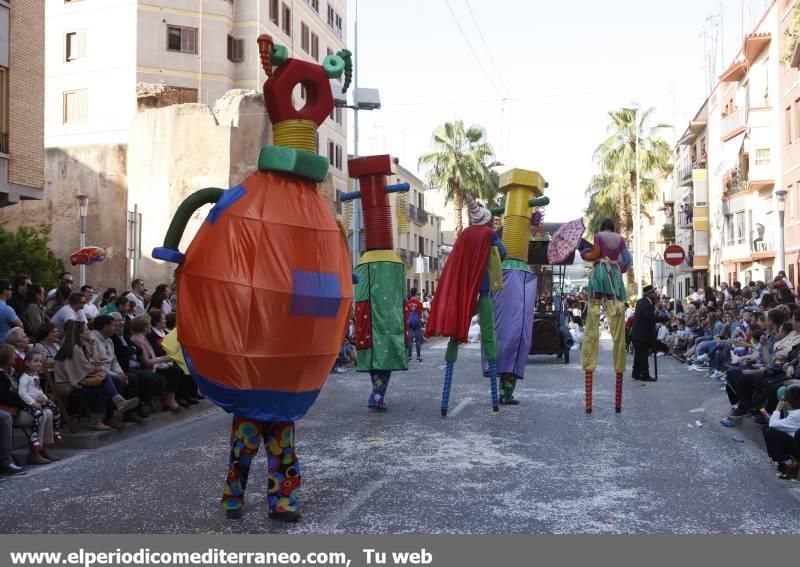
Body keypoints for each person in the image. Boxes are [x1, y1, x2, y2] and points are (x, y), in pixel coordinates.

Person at [579, 218, 631, 413]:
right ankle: (617, 402)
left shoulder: (599, 236)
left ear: (601, 228)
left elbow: (595, 254)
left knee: (592, 325)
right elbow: (627, 261)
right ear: (614, 227)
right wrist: (619, 266)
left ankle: (589, 403)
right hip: (615, 278)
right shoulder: (620, 239)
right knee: (618, 328)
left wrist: (584, 253)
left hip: (600, 275)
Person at [54, 320, 139, 431]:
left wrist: (93, 346)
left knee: (108, 379)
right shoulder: (75, 349)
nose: (89, 331)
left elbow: (95, 363)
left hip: (78, 380)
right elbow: (89, 368)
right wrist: (97, 367)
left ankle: (114, 406)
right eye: (86, 329)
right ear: (80, 333)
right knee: (105, 383)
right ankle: (99, 418)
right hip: (67, 386)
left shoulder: (81, 346)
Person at [109, 312, 164, 417]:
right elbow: (122, 353)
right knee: (136, 377)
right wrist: (131, 351)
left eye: (121, 320)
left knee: (159, 375)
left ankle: (145, 402)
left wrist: (131, 351)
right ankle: (133, 409)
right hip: (124, 367)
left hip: (134, 365)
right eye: (117, 321)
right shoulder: (113, 338)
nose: (121, 323)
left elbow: (136, 350)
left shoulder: (123, 336)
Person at [17, 351, 62, 462]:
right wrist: (33, 402)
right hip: (29, 406)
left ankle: (44, 448)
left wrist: (46, 399)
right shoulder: (25, 377)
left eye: (41, 361)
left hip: (39, 402)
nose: (39, 363)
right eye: (36, 361)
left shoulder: (35, 375)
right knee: (41, 415)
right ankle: (34, 450)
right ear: (27, 363)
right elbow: (22, 393)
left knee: (51, 412)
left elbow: (38, 390)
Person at [763, 385, 800, 479]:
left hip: (797, 446)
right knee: (770, 430)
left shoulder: (795, 416)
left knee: (771, 432)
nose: (782, 401)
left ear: (788, 402)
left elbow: (772, 424)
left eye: (784, 399)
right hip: (795, 440)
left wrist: (778, 409)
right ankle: (782, 461)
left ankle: (789, 463)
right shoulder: (796, 413)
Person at [631, 284, 665, 382]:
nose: (655, 294)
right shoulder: (646, 304)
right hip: (642, 334)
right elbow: (650, 317)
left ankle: (636, 373)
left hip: (639, 333)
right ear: (649, 294)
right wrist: (664, 318)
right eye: (653, 292)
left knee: (638, 355)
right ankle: (644, 375)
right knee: (643, 355)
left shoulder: (643, 302)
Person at [406, 291, 425, 362]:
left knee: (410, 340)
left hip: (410, 323)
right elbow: (421, 313)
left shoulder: (407, 303)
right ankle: (418, 356)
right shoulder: (419, 303)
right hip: (417, 323)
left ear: (410, 294)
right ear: (416, 294)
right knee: (418, 340)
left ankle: (409, 357)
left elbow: (405, 312)